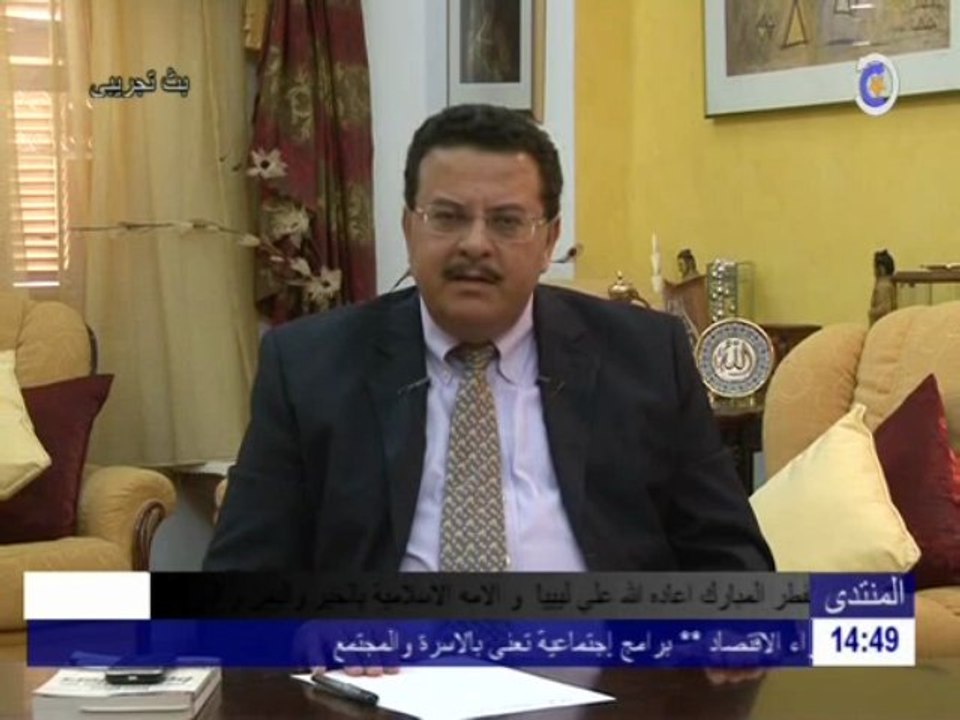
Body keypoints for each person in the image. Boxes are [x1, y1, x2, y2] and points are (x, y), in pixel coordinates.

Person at [205, 103, 771, 684]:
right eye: (447, 217)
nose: (475, 244)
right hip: (384, 692)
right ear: (409, 229)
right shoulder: (310, 366)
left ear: (549, 240)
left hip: (610, 689)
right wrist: (309, 631)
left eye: (506, 221)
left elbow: (734, 560)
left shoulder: (645, 357)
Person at [869, 249, 897, 326]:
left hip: (882, 326)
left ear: (881, 269)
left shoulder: (882, 286)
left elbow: (884, 309)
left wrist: (871, 312)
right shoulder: (890, 284)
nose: (874, 271)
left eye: (875, 267)